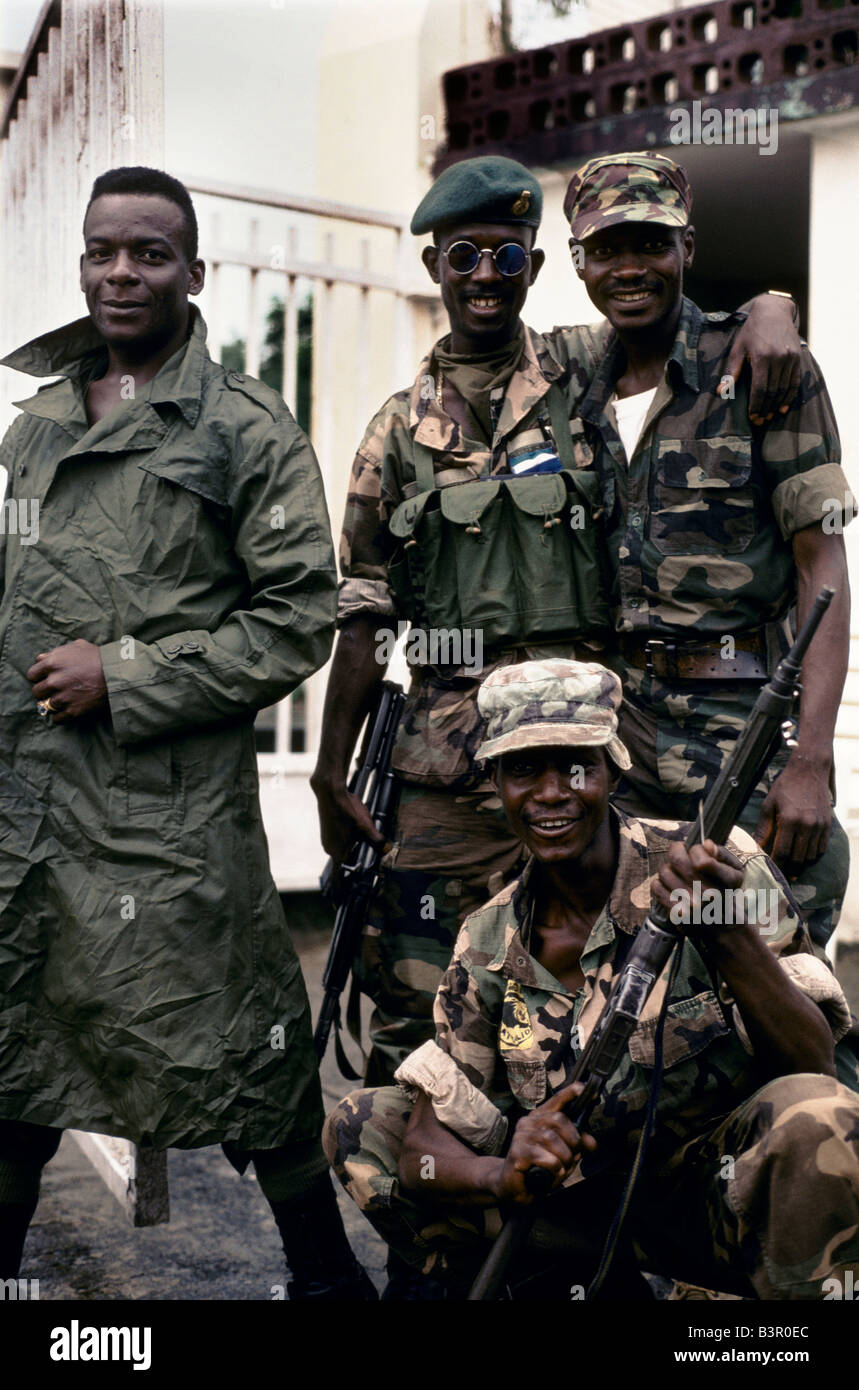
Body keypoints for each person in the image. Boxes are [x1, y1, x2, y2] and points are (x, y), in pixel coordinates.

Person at [311, 153, 804, 1089]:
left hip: (587, 758)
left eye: (506, 257)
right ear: (435, 271)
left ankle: (572, 1207)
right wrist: (330, 771)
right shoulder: (392, 432)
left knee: (595, 983)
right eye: (464, 257)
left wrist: (774, 302)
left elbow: (689, 321)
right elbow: (365, 606)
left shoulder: (588, 374)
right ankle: (430, 1219)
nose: (485, 278)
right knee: (416, 995)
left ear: (535, 270)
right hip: (448, 767)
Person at [0, 166, 374, 1299]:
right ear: (81, 262)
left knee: (242, 1056)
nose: (123, 271)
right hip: (30, 810)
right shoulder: (41, 418)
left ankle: (327, 1282)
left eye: (150, 253)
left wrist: (125, 673)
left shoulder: (243, 427)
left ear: (192, 271)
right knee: (17, 1061)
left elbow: (298, 616)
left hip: (165, 819)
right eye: (104, 250)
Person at [323, 659, 859, 1301]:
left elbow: (816, 1064)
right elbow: (422, 1147)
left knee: (816, 1114)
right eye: (524, 769)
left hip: (722, 1197)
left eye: (576, 766)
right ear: (494, 780)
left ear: (613, 768)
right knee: (363, 1124)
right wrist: (505, 1170)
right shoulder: (487, 940)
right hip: (587, 1213)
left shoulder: (722, 865)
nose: (552, 793)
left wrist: (728, 936)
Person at [563, 151, 852, 954]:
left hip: (738, 726)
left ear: (687, 247)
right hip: (616, 740)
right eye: (606, 248)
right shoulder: (570, 384)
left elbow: (819, 566)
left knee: (778, 971)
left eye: (650, 245)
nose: (629, 268)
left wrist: (812, 762)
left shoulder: (762, 365)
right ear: (579, 260)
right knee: (637, 986)